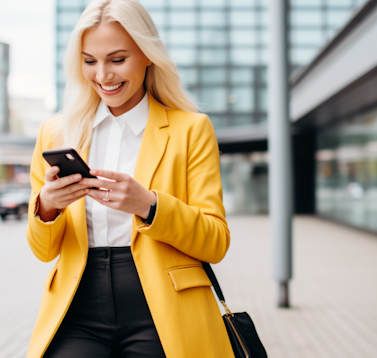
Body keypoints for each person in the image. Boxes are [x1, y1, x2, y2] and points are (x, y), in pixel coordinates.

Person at [25, 0, 233, 357]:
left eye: (117, 59)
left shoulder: (191, 129)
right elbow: (44, 251)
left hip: (164, 309)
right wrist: (47, 207)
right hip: (78, 307)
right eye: (89, 61)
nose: (103, 75)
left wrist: (149, 206)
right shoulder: (55, 133)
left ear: (148, 55)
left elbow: (215, 242)